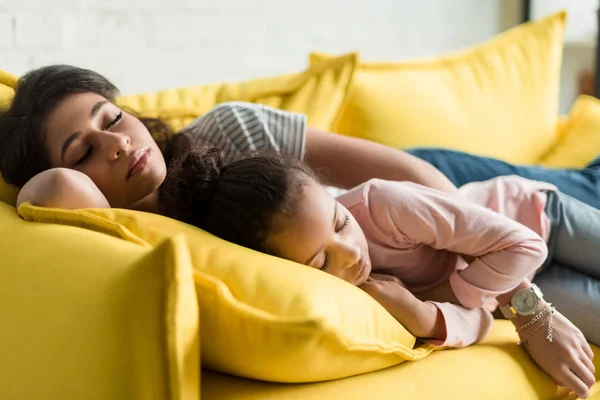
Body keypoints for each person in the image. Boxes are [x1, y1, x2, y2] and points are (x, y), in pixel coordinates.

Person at [0, 64, 596, 397]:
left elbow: (414, 176)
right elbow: (49, 196)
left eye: (113, 117)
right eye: (83, 152)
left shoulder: (228, 134)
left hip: (444, 199)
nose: (119, 143)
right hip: (445, 257)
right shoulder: (160, 240)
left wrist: (527, 305)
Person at [157, 146, 596, 399]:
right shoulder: (357, 294)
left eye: (339, 222)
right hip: (504, 285)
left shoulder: (381, 206)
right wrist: (425, 317)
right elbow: (479, 316)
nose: (350, 254)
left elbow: (522, 244)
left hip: (537, 217)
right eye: (321, 262)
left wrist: (519, 308)